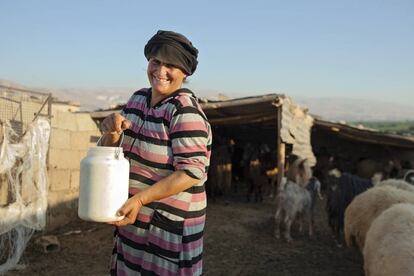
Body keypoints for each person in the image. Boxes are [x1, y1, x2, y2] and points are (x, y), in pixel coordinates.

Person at [99, 30, 212, 275]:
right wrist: (111, 133)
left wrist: (140, 199)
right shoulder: (137, 99)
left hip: (168, 227)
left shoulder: (184, 111)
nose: (161, 71)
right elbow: (115, 154)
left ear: (185, 72)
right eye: (156, 62)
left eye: (171, 65)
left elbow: (191, 172)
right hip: (133, 219)